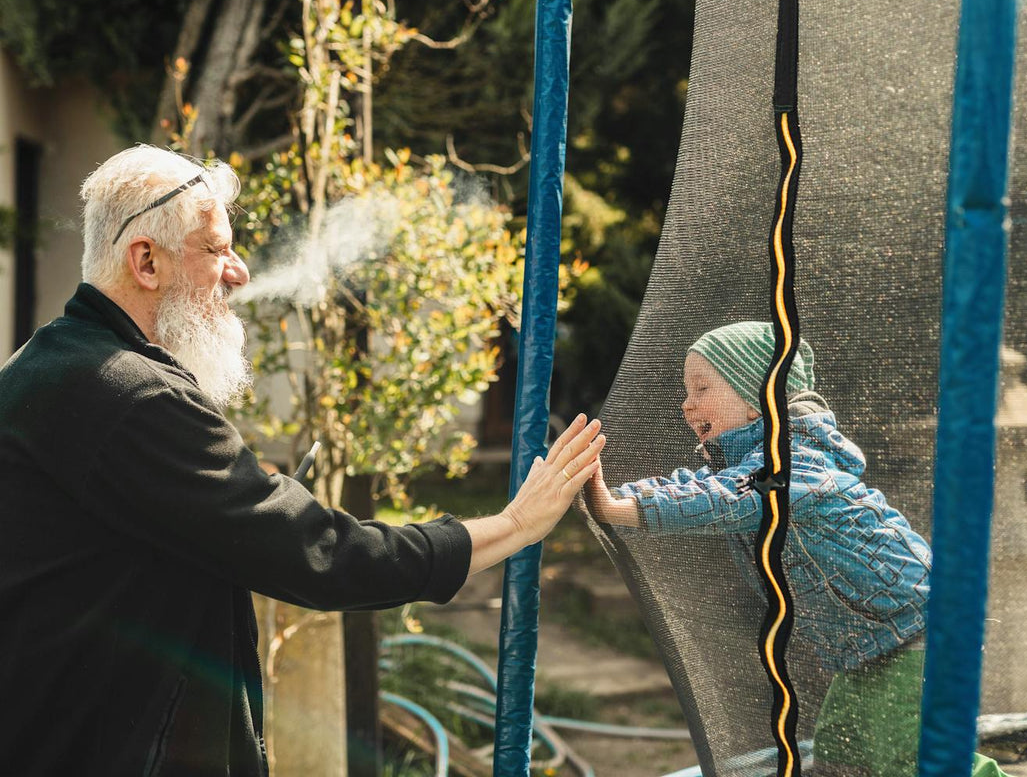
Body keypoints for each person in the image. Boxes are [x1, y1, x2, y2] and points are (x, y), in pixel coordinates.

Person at [0, 145, 604, 775]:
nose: (238, 273)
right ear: (146, 261)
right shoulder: (131, 396)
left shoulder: (43, 365)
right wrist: (514, 526)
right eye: (216, 249)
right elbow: (320, 554)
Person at [585, 320, 1005, 777]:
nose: (687, 405)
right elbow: (698, 487)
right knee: (844, 754)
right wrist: (604, 493)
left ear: (755, 399)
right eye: (687, 392)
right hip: (867, 647)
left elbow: (725, 499)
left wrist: (618, 507)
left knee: (914, 757)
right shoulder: (751, 466)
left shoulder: (793, 467)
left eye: (702, 388)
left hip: (922, 632)